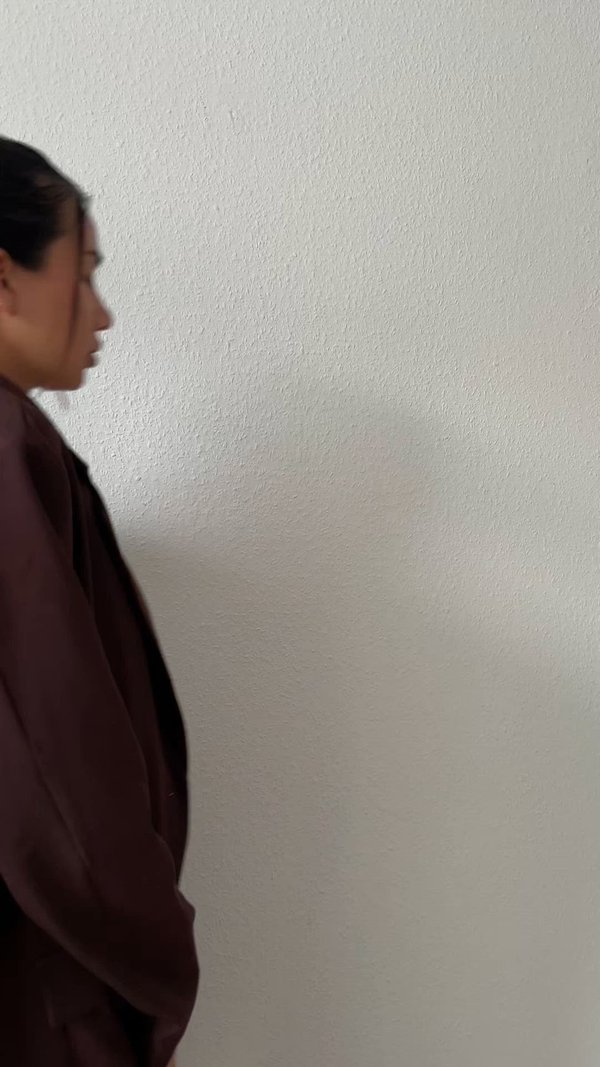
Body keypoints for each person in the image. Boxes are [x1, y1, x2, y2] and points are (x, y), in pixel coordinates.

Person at [0, 137, 199, 1066]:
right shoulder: (3, 447)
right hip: (37, 990)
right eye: (82, 273)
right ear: (4, 276)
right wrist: (156, 942)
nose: (103, 311)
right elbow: (53, 768)